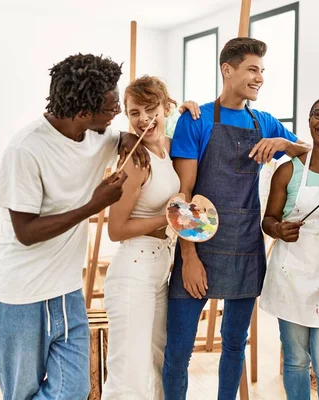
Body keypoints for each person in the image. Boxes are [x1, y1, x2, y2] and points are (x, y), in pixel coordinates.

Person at [0, 54, 149, 400]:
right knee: (21, 393)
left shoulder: (96, 133)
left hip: (65, 288)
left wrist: (126, 140)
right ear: (83, 112)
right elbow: (24, 232)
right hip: (16, 293)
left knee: (74, 388)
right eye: (111, 107)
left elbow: (114, 137)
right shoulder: (26, 149)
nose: (117, 113)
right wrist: (92, 206)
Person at [163, 37, 310, 400]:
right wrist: (189, 258)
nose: (259, 77)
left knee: (234, 345)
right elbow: (184, 197)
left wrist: (285, 145)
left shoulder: (265, 121)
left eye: (262, 71)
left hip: (245, 243)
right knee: (178, 352)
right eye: (252, 69)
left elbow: (311, 156)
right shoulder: (195, 121)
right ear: (228, 70)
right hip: (199, 245)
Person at [102, 75, 200, 400]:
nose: (143, 118)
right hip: (133, 272)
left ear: (165, 107)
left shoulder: (169, 149)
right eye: (134, 112)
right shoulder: (136, 162)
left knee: (158, 367)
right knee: (127, 378)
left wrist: (186, 110)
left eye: (150, 108)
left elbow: (183, 133)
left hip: (160, 272)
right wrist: (170, 218)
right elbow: (115, 229)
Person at [259, 95, 319, 399]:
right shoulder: (288, 170)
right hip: (291, 277)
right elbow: (269, 219)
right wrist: (278, 230)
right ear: (310, 119)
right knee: (296, 361)